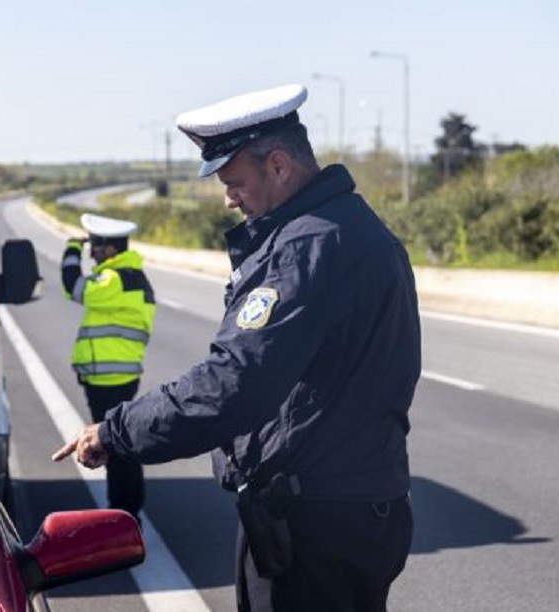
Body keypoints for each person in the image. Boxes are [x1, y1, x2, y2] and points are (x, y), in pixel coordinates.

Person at [53, 84, 421, 611]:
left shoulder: (305, 248)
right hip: (353, 507)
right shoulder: (353, 229)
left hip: (315, 521)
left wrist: (115, 432)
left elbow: (232, 383)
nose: (229, 198)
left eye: (235, 182)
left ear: (278, 164)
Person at [60, 213, 156, 521]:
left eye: (95, 248)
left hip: (110, 378)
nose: (92, 254)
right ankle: (126, 511)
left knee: (115, 446)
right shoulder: (127, 276)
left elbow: (72, 286)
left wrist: (72, 248)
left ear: (111, 251)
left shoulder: (115, 279)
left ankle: (123, 515)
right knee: (118, 443)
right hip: (116, 374)